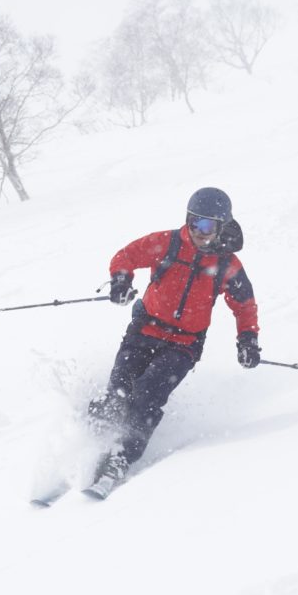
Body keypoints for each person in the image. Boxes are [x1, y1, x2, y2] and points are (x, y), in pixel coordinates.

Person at [84, 187, 261, 498]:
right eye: (193, 222)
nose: (198, 231)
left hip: (184, 344)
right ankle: (96, 431)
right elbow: (125, 256)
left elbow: (244, 304)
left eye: (206, 225)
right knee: (119, 391)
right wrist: (121, 281)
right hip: (144, 330)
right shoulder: (167, 243)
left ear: (220, 227)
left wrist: (247, 339)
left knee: (147, 394)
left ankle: (121, 458)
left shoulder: (226, 264)